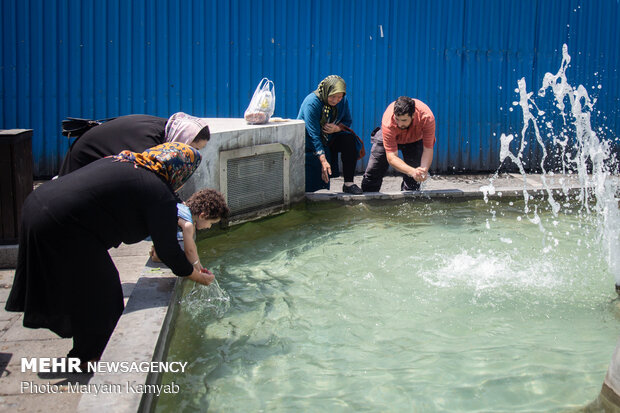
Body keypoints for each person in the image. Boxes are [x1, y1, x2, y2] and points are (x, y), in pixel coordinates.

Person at [5, 142, 229, 366]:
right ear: (180, 169)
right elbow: (168, 250)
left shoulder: (129, 162)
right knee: (105, 293)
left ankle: (86, 351)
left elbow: (162, 240)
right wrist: (197, 276)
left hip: (37, 204)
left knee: (83, 284)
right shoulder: (157, 191)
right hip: (62, 223)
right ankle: (90, 357)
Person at [57, 112, 211, 176]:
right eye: (193, 148)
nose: (193, 153)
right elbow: (149, 180)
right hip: (81, 166)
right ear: (183, 138)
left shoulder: (166, 130)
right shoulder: (149, 141)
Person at [297, 75, 363, 193]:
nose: (335, 100)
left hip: (328, 139)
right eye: (332, 96)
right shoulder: (312, 103)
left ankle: (348, 184)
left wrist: (337, 128)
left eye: (339, 97)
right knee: (313, 190)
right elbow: (313, 135)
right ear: (326, 91)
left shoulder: (342, 101)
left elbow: (347, 121)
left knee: (349, 139)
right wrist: (323, 159)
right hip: (309, 143)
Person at [361, 96, 436, 192]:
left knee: (413, 181)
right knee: (373, 172)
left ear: (413, 115)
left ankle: (409, 204)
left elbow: (428, 149)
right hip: (390, 136)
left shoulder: (427, 117)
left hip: (415, 139)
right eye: (397, 119)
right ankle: (368, 203)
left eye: (404, 120)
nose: (400, 124)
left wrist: (423, 170)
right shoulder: (388, 121)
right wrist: (412, 171)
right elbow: (391, 157)